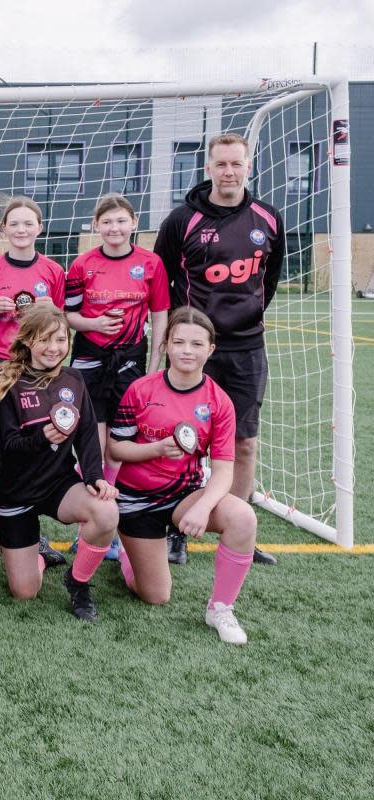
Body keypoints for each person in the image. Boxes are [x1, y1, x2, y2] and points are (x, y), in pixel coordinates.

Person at [154, 132, 283, 567]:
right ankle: (179, 529)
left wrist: (244, 317)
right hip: (192, 348)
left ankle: (237, 526)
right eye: (221, 164)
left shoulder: (268, 218)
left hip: (246, 347)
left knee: (244, 442)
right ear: (208, 168)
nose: (229, 172)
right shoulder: (182, 220)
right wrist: (184, 335)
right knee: (183, 440)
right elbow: (163, 281)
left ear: (249, 167)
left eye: (237, 164)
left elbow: (270, 281)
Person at [108, 307, 257, 644]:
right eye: (179, 342)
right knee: (156, 595)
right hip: (137, 499)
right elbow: (117, 449)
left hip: (183, 495)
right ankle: (127, 556)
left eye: (196, 343)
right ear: (167, 345)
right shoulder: (141, 390)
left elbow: (222, 472)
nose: (187, 350)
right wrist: (155, 449)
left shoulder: (219, 401)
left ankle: (221, 608)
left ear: (210, 350)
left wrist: (203, 507)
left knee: (243, 517)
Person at [0, 305, 119, 622]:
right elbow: (4, 447)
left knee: (105, 512)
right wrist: (41, 438)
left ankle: (78, 583)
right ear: (29, 341)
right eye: (44, 339)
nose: (53, 348)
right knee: (25, 593)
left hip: (57, 485)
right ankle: (39, 555)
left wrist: (94, 477)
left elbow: (88, 434)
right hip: (15, 493)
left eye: (60, 339)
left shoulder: (74, 380)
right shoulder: (9, 384)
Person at [64, 194, 170, 559]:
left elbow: (159, 318)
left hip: (131, 362)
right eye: (107, 222)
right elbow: (68, 316)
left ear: (134, 223)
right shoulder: (82, 265)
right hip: (90, 360)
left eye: (121, 221)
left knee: (118, 446)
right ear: (96, 226)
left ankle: (115, 524)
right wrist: (94, 323)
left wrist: (153, 371)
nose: (114, 228)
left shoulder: (151, 264)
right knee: (92, 444)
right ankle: (90, 526)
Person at [0, 196, 67, 563]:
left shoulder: (53, 272)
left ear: (39, 228)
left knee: (29, 446)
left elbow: (59, 327)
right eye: (15, 224)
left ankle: (29, 529)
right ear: (3, 230)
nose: (22, 229)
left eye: (29, 223)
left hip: (33, 370)